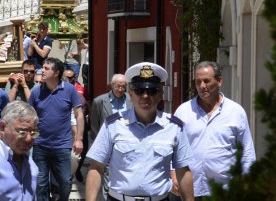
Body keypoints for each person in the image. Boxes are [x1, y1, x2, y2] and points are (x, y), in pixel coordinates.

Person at [85, 62, 194, 201]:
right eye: (139, 91)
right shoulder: (113, 125)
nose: (145, 96)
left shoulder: (174, 127)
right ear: (130, 93)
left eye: (152, 91)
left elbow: (183, 171)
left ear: (161, 94)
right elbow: (96, 167)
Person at [173, 61, 256, 198]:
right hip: (190, 192)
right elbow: (172, 147)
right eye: (198, 82)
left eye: (206, 81)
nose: (202, 86)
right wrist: (173, 175)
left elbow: (247, 152)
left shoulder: (235, 112)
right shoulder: (183, 111)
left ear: (219, 81)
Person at [29, 58, 84, 201]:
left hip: (62, 145)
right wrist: (32, 137)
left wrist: (78, 139)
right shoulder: (36, 92)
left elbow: (79, 115)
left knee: (65, 181)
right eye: (43, 68)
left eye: (46, 68)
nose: (42, 71)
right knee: (40, 183)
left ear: (57, 72)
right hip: (40, 145)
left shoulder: (70, 90)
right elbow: (30, 116)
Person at [88, 74, 133, 198]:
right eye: (118, 86)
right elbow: (94, 127)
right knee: (108, 176)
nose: (121, 89)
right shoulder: (99, 101)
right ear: (112, 85)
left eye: (124, 86)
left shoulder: (131, 100)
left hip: (126, 144)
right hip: (107, 144)